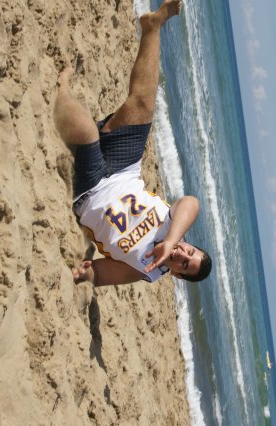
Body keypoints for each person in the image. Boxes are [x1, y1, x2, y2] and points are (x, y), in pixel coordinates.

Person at [54, 0, 212, 285]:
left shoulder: (147, 270)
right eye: (190, 252)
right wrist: (170, 240)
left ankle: (60, 90)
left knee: (88, 133)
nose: (182, 255)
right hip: (125, 169)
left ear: (177, 274)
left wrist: (87, 274)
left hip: (90, 193)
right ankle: (153, 26)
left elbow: (104, 273)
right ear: (189, 244)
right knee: (142, 105)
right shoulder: (174, 225)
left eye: (184, 265)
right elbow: (192, 202)